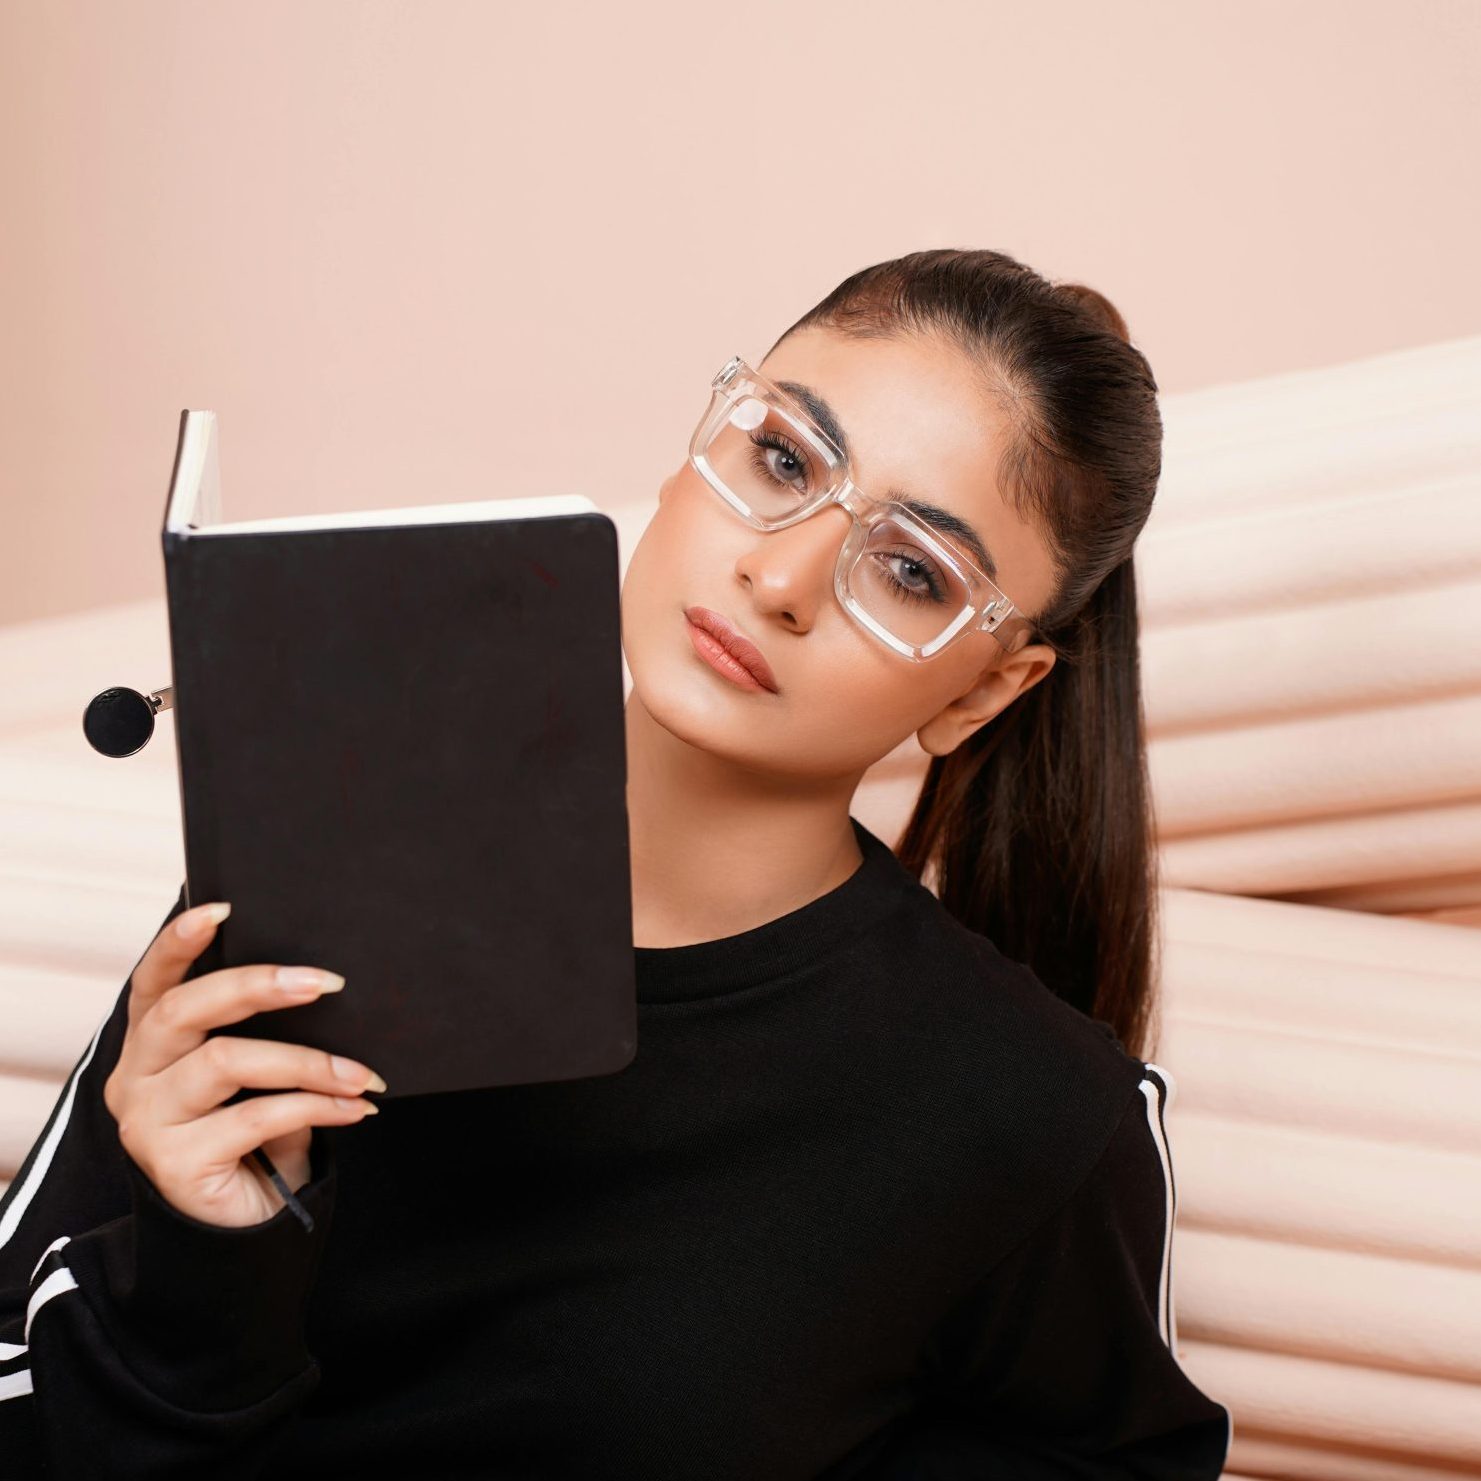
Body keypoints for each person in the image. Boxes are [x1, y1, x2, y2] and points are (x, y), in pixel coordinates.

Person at [0, 247, 1233, 1477]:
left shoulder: (1040, 1124)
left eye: (912, 572)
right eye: (783, 459)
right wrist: (196, 1272)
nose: (781, 574)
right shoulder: (318, 867)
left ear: (985, 691)